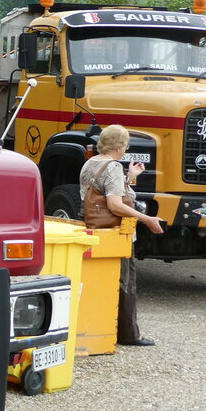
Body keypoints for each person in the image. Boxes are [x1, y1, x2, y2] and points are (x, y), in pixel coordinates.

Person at [79, 124, 165, 346]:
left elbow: (104, 191)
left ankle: (99, 327)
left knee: (100, 281)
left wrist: (130, 177)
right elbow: (115, 205)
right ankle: (129, 334)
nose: (126, 149)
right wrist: (147, 219)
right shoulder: (113, 166)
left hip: (95, 229)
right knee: (126, 282)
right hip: (117, 234)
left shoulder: (91, 162)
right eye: (125, 145)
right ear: (118, 146)